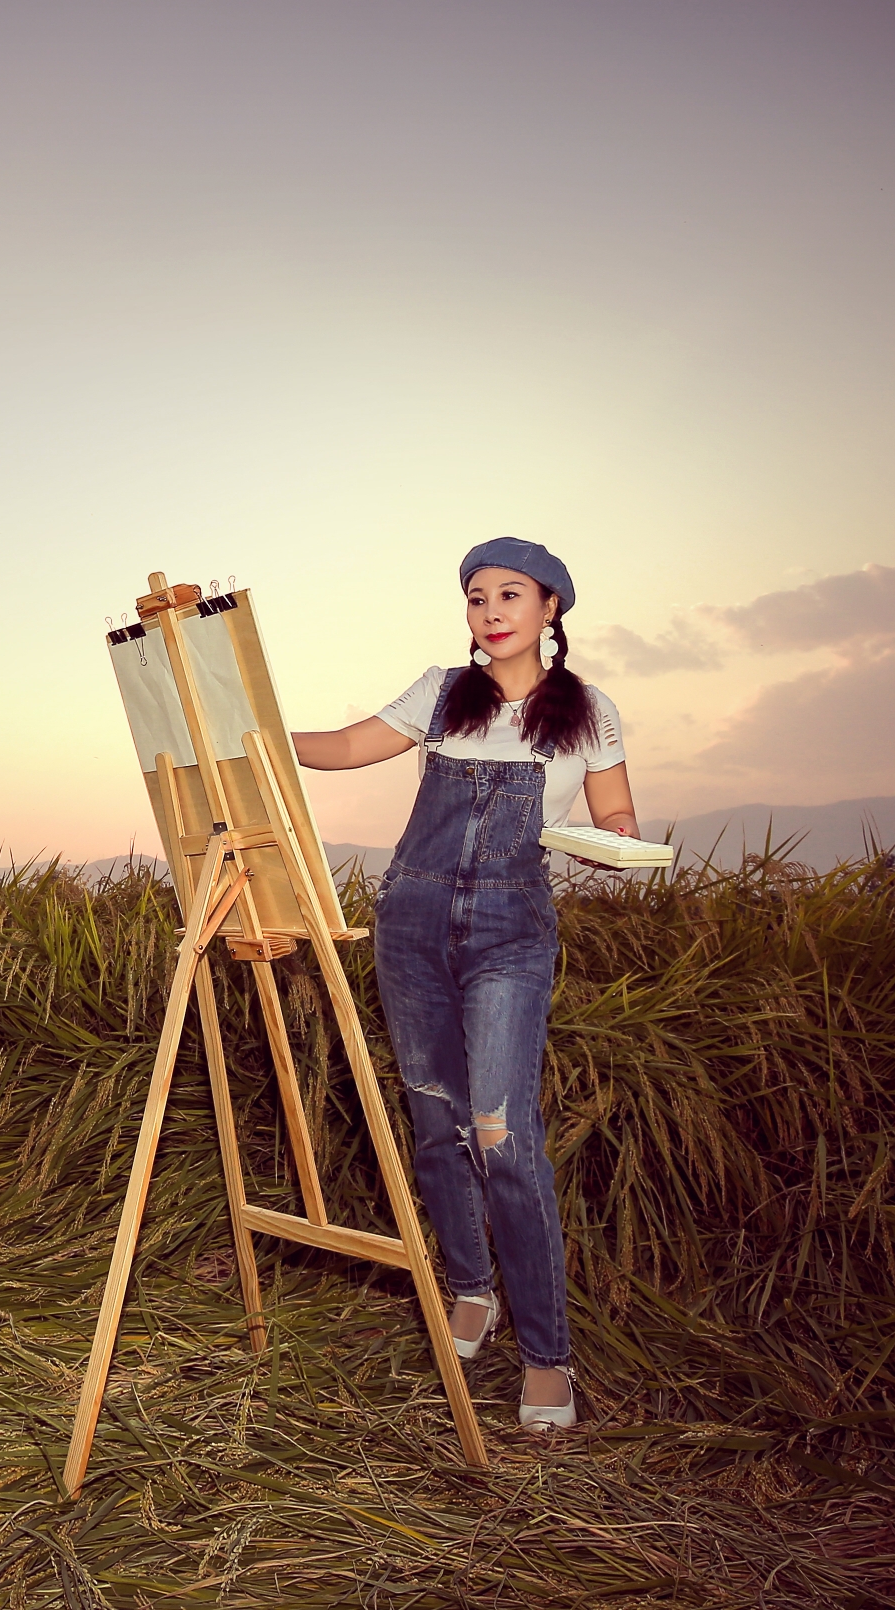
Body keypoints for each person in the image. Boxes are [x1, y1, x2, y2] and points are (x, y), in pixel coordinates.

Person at [289, 537, 636, 1431]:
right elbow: (341, 748)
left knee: (504, 1134)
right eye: (475, 595)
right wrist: (251, 736)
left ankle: (548, 1354)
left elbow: (616, 814)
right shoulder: (441, 693)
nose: (489, 610)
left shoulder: (590, 712)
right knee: (437, 1122)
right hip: (411, 920)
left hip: (511, 933)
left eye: (509, 594)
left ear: (551, 607)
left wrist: (624, 845)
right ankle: (470, 1289)